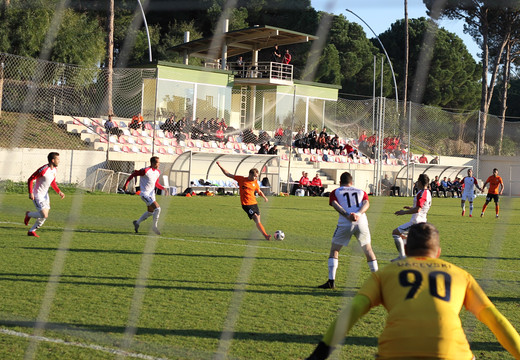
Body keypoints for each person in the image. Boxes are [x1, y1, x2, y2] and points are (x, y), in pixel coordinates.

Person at [305, 222, 520, 360]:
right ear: (439, 252)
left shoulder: (385, 274)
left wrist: (319, 355)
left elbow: (352, 311)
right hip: (450, 353)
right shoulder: (461, 275)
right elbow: (495, 319)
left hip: (396, 352)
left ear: (406, 250)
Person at [318, 172, 378, 289]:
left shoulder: (336, 191)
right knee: (368, 250)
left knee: (335, 250)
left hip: (345, 222)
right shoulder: (361, 191)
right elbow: (366, 203)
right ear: (352, 183)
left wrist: (347, 215)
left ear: (340, 182)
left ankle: (331, 281)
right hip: (361, 222)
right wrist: (358, 214)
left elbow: (335, 205)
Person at [216, 161, 272, 241]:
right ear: (250, 174)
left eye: (257, 177)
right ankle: (266, 235)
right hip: (246, 204)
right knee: (256, 218)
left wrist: (264, 197)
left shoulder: (255, 182)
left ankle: (265, 235)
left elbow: (259, 191)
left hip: (254, 203)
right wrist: (220, 166)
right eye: (255, 176)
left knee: (258, 221)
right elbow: (228, 174)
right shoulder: (241, 179)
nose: (256, 178)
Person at [24, 152, 65, 237]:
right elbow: (30, 179)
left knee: (44, 216)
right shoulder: (43, 169)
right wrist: (30, 192)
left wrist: (59, 191)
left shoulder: (54, 170)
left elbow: (52, 182)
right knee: (44, 215)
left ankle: (31, 231)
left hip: (45, 195)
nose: (59, 161)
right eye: (58, 159)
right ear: (52, 160)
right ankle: (29, 214)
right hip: (37, 195)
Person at [391, 173, 431, 261]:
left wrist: (404, 212)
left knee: (395, 233)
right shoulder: (427, 192)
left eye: (417, 181)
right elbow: (421, 207)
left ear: (420, 182)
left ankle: (402, 257)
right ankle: (407, 255)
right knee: (404, 237)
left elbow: (418, 209)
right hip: (421, 220)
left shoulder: (422, 194)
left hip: (416, 221)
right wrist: (411, 208)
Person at [123, 156, 165, 235]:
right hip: (145, 194)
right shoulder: (145, 170)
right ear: (152, 163)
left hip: (152, 195)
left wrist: (163, 188)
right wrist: (126, 184)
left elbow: (156, 183)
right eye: (157, 163)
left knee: (150, 212)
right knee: (158, 209)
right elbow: (133, 174)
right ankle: (154, 227)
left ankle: (137, 223)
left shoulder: (157, 172)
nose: (159, 164)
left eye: (159, 162)